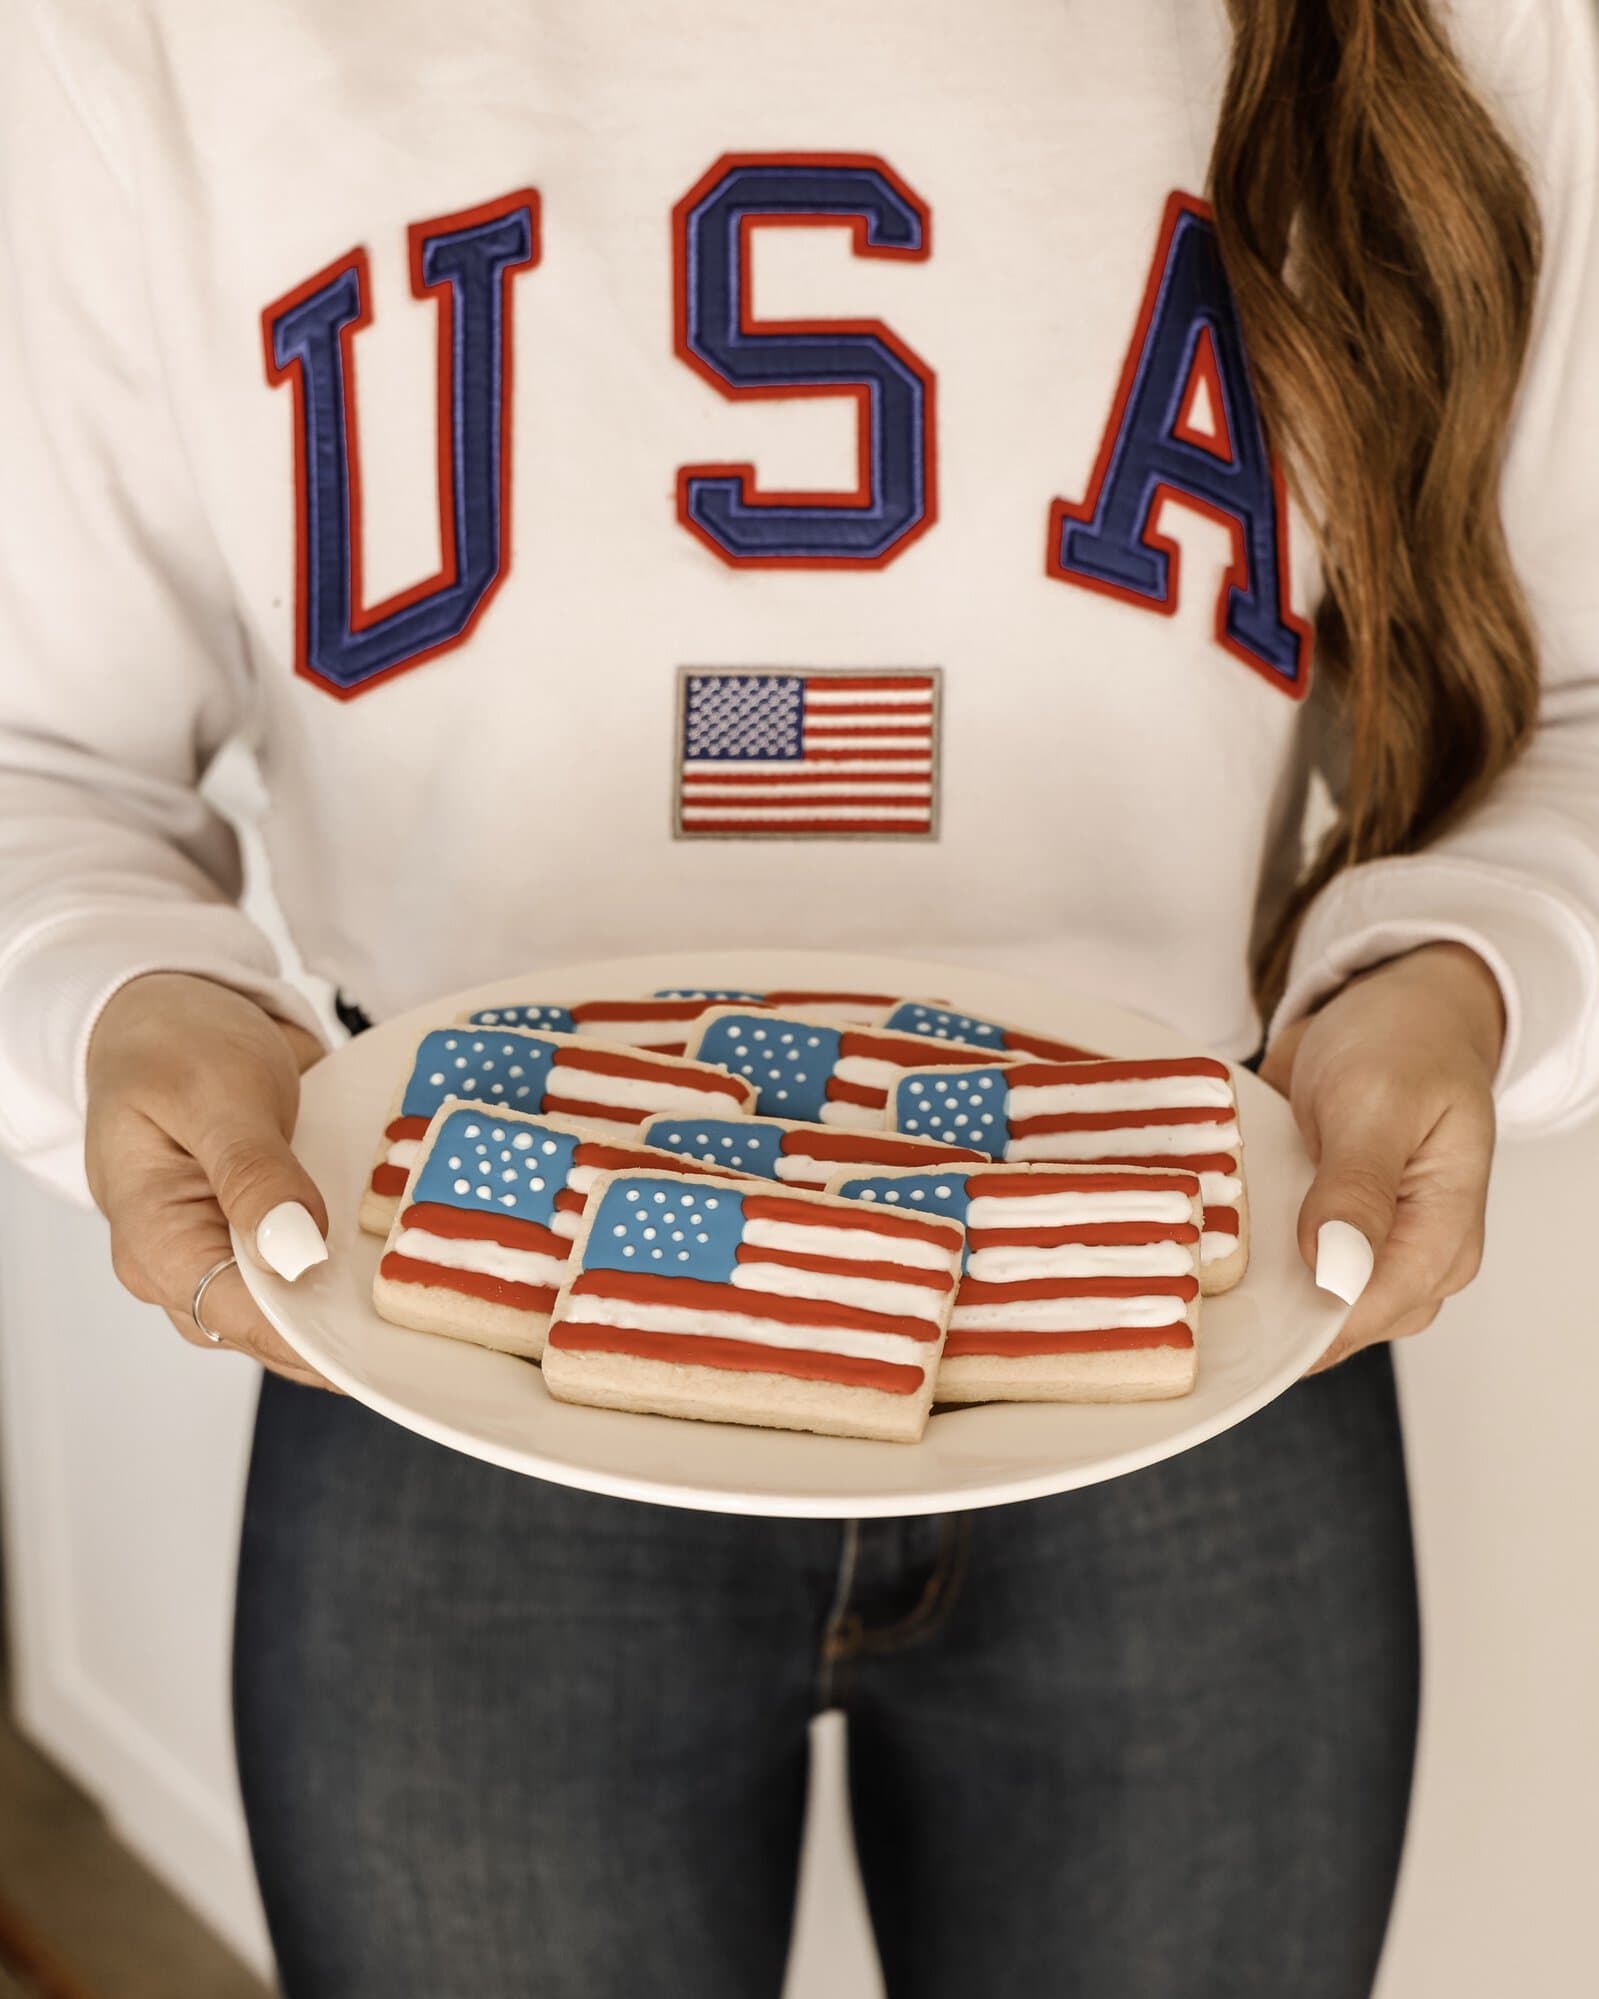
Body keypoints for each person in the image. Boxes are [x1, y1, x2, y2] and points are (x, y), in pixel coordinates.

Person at [2, 0, 1596, 1992]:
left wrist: (1456, 973)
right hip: (455, 1333)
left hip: (1190, 1328)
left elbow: (1578, 700)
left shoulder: (1445, 28)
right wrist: (116, 1007)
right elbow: (40, 760)